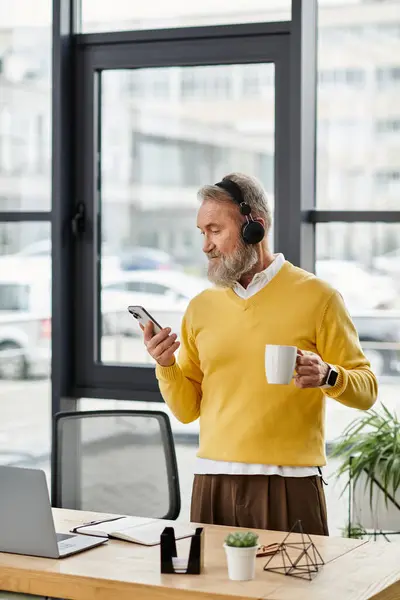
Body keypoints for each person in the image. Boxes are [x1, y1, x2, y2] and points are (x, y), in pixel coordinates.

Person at [142, 172, 378, 535]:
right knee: (207, 593)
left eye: (215, 230)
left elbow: (366, 391)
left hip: (290, 483)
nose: (206, 245)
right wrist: (166, 365)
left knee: (294, 593)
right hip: (212, 480)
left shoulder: (319, 297)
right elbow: (187, 411)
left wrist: (328, 374)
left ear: (256, 227)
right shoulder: (201, 307)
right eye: (201, 233)